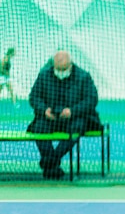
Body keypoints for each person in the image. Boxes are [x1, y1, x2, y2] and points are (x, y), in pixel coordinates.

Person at [28, 50, 100, 179]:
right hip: (50, 118)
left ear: (70, 64)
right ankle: (52, 165)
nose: (60, 73)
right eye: (57, 69)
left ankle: (51, 161)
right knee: (39, 127)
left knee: (77, 127)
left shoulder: (83, 77)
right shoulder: (44, 75)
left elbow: (91, 99)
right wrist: (44, 110)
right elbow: (34, 97)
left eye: (63, 69)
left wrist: (72, 111)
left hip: (74, 119)